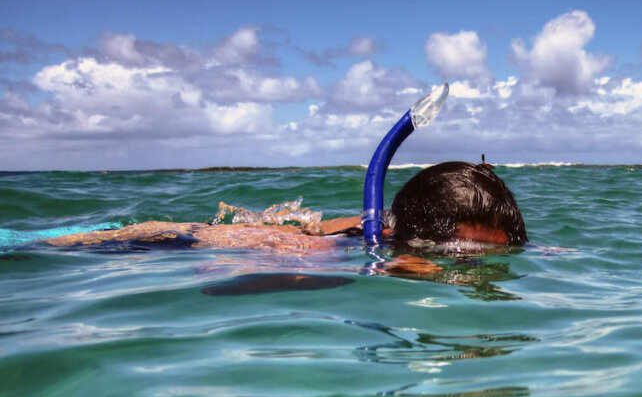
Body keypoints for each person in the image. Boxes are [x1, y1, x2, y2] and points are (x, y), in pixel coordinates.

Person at [41, 161, 527, 276]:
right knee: (43, 244)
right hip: (169, 240)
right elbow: (218, 277)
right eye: (466, 253)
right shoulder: (333, 249)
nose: (472, 264)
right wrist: (387, 268)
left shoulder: (384, 230)